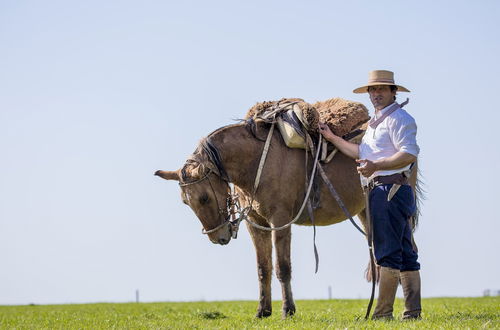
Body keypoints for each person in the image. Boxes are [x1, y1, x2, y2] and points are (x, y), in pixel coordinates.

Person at [319, 70, 421, 320]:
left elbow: (408, 154)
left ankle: (383, 314)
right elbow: (360, 152)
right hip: (385, 189)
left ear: (393, 92)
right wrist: (331, 137)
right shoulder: (377, 123)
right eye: (372, 90)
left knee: (387, 252)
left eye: (381, 90)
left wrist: (377, 166)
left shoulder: (400, 119)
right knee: (406, 252)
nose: (375, 94)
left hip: (390, 190)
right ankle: (412, 313)